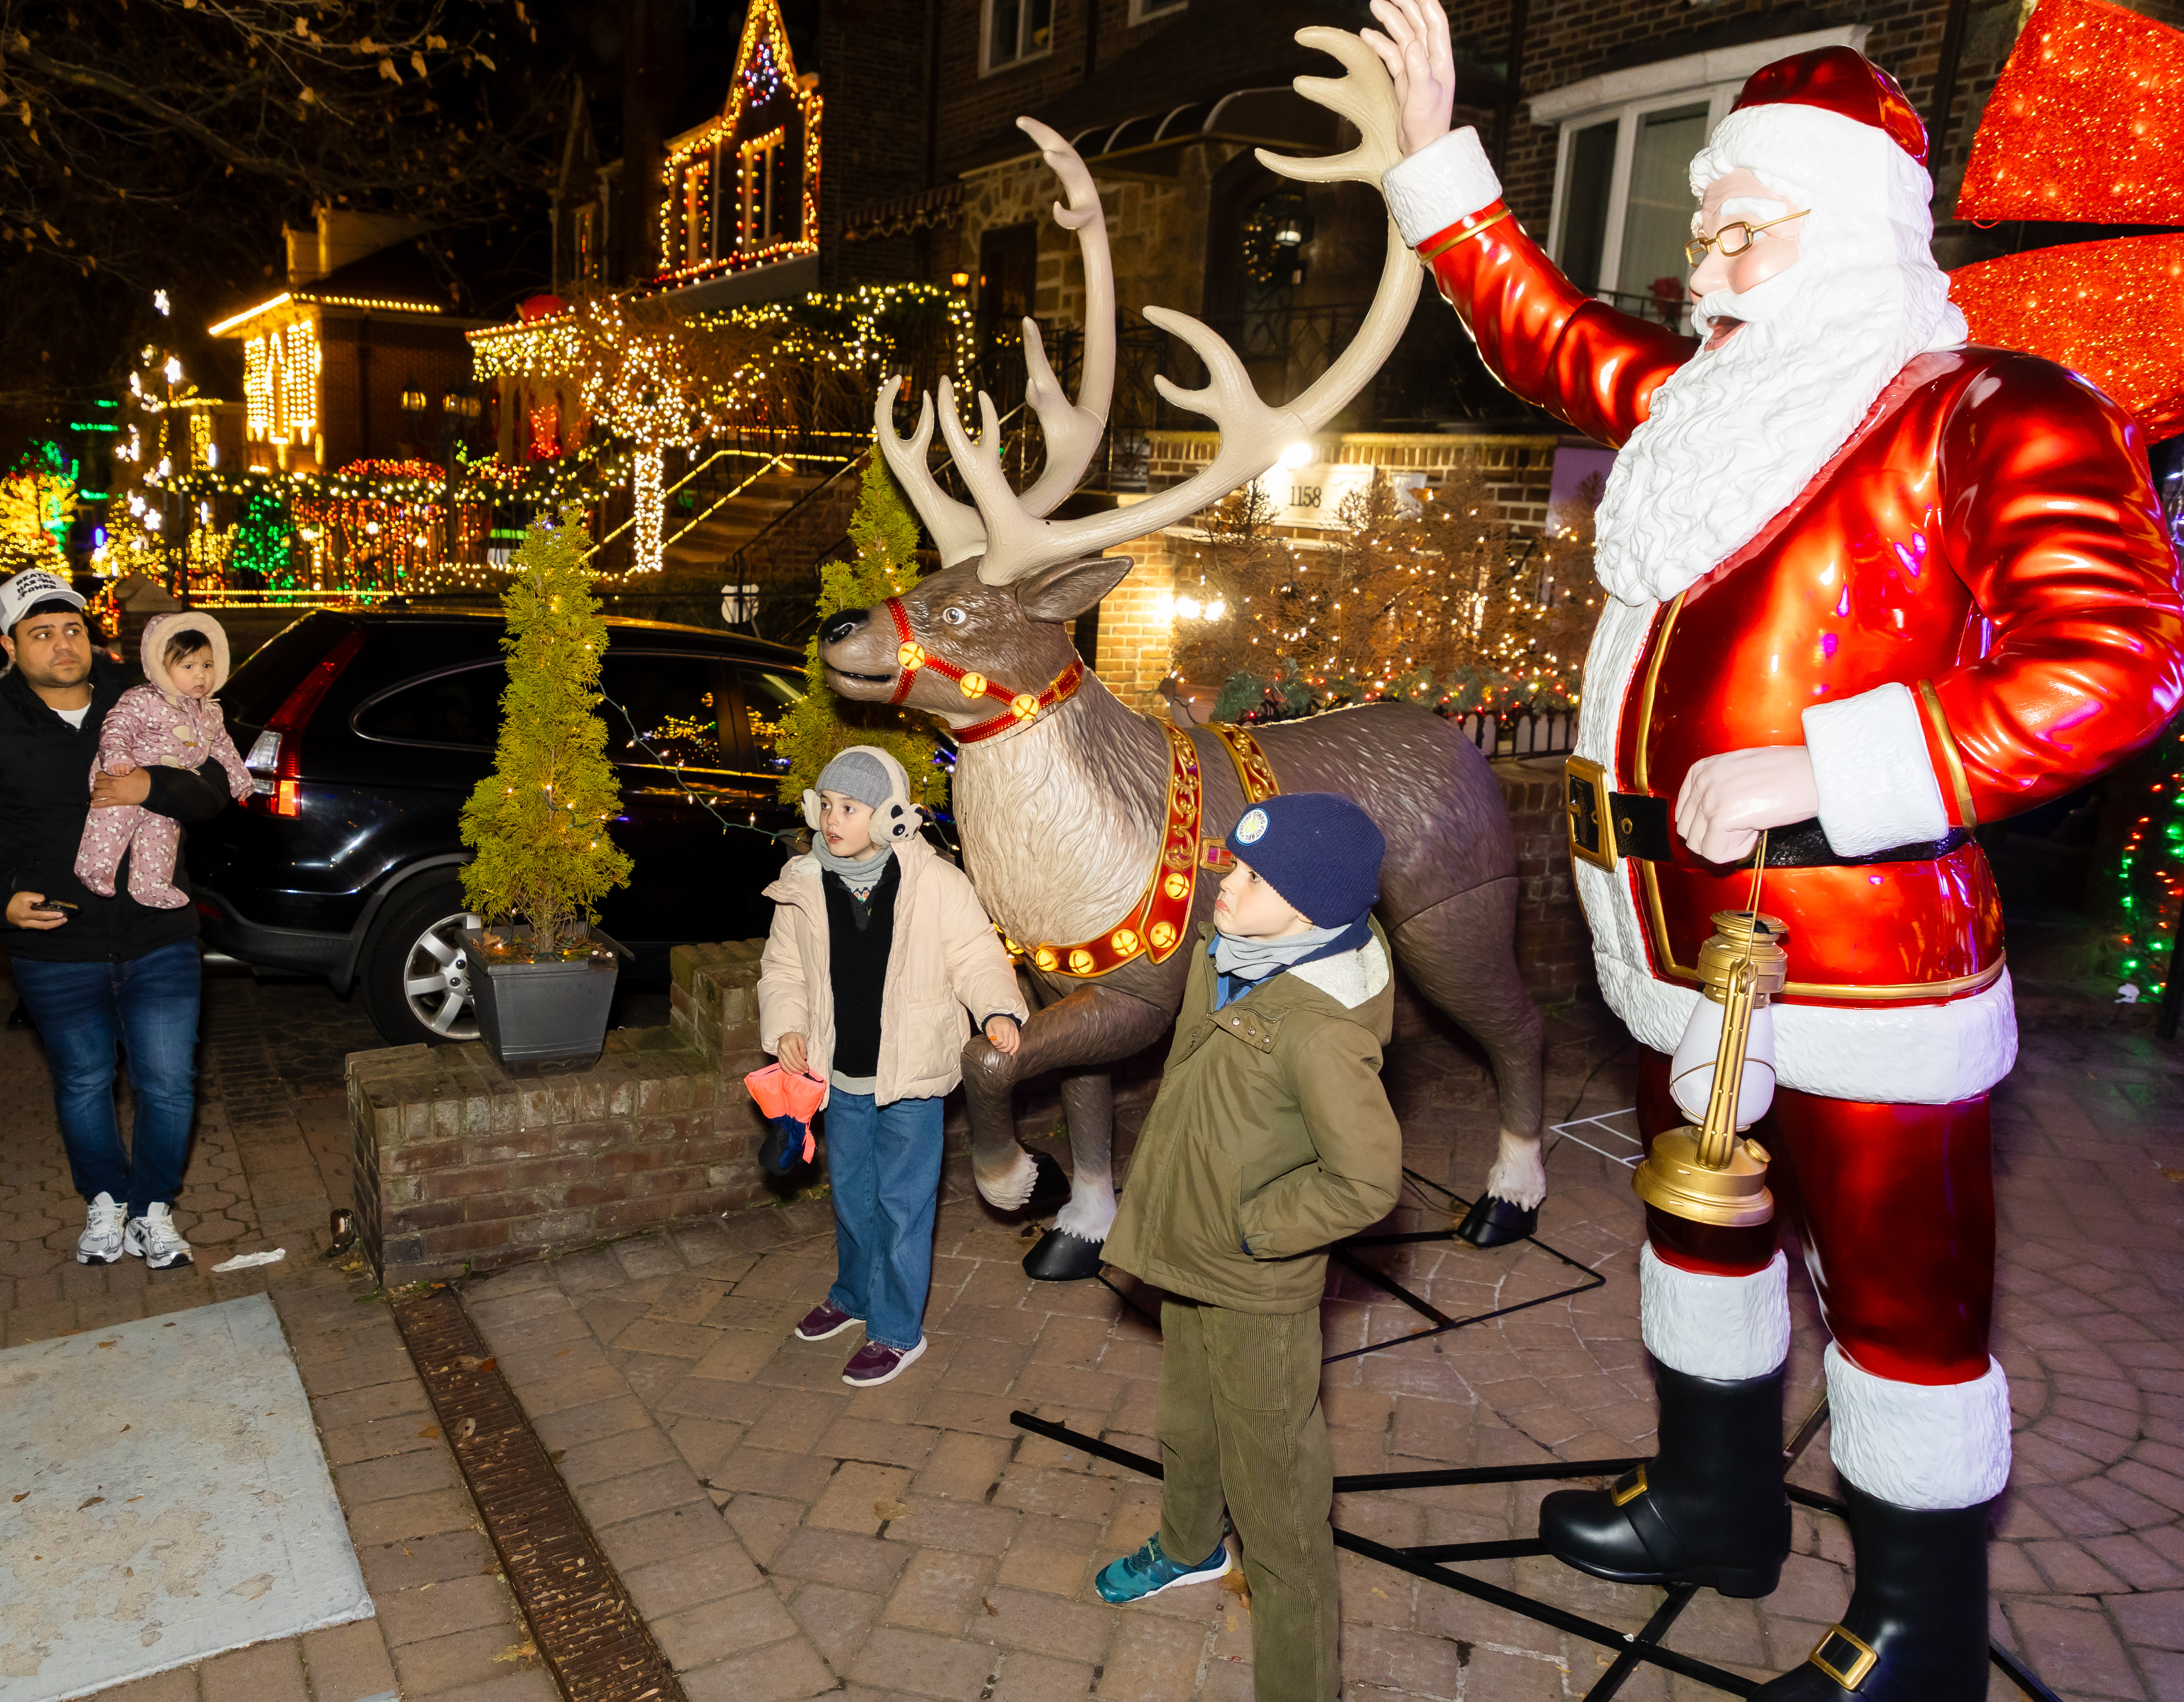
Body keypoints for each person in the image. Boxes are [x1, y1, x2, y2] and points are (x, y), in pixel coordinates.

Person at [1364, 5, 2184, 1694]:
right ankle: (1714, 1508)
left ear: (1868, 226)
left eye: (1755, 217)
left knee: (1899, 1306)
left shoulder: (1992, 412)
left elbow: (2118, 662)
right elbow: (1546, 338)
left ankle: (1920, 1627)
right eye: (1707, 220)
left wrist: (1829, 765)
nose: (1712, 251)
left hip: (1865, 964)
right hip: (1672, 947)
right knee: (1703, 1223)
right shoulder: (1704, 402)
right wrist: (1435, 168)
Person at [1091, 794, 1397, 1702]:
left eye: (1252, 876)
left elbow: (1368, 1179)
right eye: (1235, 863)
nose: (1226, 880)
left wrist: (1256, 1229)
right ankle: (1188, 1546)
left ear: (1306, 912)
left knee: (1281, 1505)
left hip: (1254, 1281)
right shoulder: (1232, 954)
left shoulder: (1321, 1027)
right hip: (1187, 1246)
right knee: (1187, 1419)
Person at [0, 569, 239, 1273]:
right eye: (41, 633)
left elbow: (216, 789)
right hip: (54, 940)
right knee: (83, 1080)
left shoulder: (146, 696)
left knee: (168, 1081)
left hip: (158, 929)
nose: (62, 645)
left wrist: (151, 785)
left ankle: (154, 1207)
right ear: (10, 645)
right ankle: (106, 1198)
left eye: (72, 629)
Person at [757, 746, 1025, 1388]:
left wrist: (996, 1009)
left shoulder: (935, 882)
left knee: (903, 1206)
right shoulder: (802, 884)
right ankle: (854, 1295)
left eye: (850, 807)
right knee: (852, 1197)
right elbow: (783, 970)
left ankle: (899, 1330)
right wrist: (788, 1026)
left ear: (889, 817)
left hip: (910, 1080)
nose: (833, 818)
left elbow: (975, 954)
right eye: (826, 805)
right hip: (840, 1075)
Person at [74, 613, 253, 907]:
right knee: (112, 822)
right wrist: (118, 756)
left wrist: (239, 777)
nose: (200, 675)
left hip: (168, 784)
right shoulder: (142, 699)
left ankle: (152, 885)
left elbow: (222, 746)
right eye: (188, 666)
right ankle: (95, 869)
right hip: (123, 775)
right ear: (160, 668)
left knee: (162, 833)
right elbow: (118, 726)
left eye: (207, 665)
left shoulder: (209, 711)